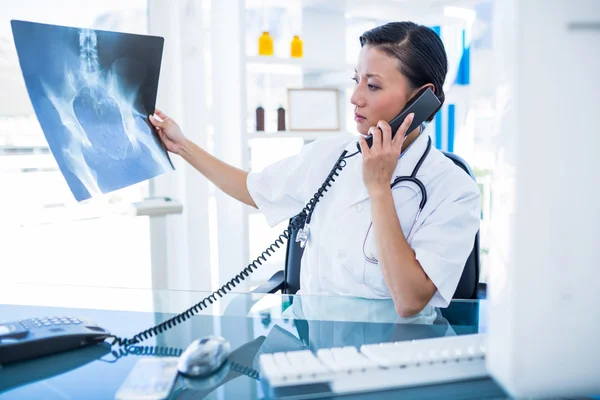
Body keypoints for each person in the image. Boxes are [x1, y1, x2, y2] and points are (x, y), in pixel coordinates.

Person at [149, 21, 480, 318]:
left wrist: (379, 188)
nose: (354, 97)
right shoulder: (332, 154)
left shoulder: (453, 189)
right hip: (311, 342)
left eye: (373, 86)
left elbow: (409, 301)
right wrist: (183, 146)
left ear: (422, 98)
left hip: (394, 356)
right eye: (356, 80)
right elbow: (253, 189)